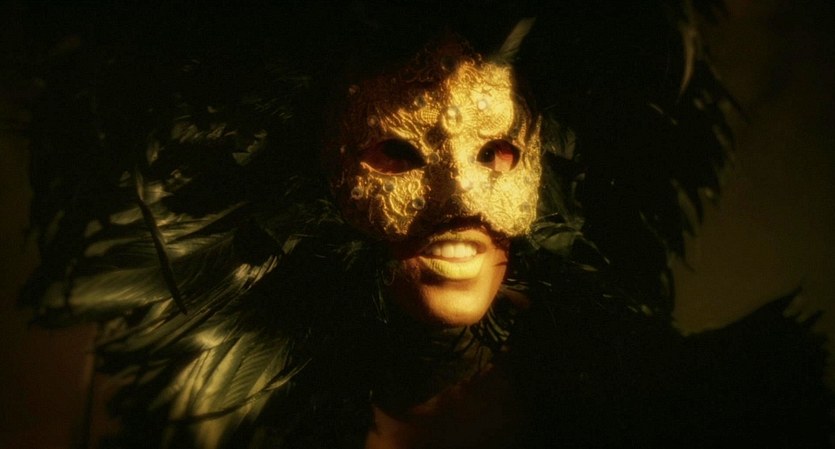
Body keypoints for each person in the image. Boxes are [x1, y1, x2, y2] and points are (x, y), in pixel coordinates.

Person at [19, 2, 831, 448]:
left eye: (499, 152)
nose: (459, 201)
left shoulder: (681, 414)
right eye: (396, 152)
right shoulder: (230, 426)